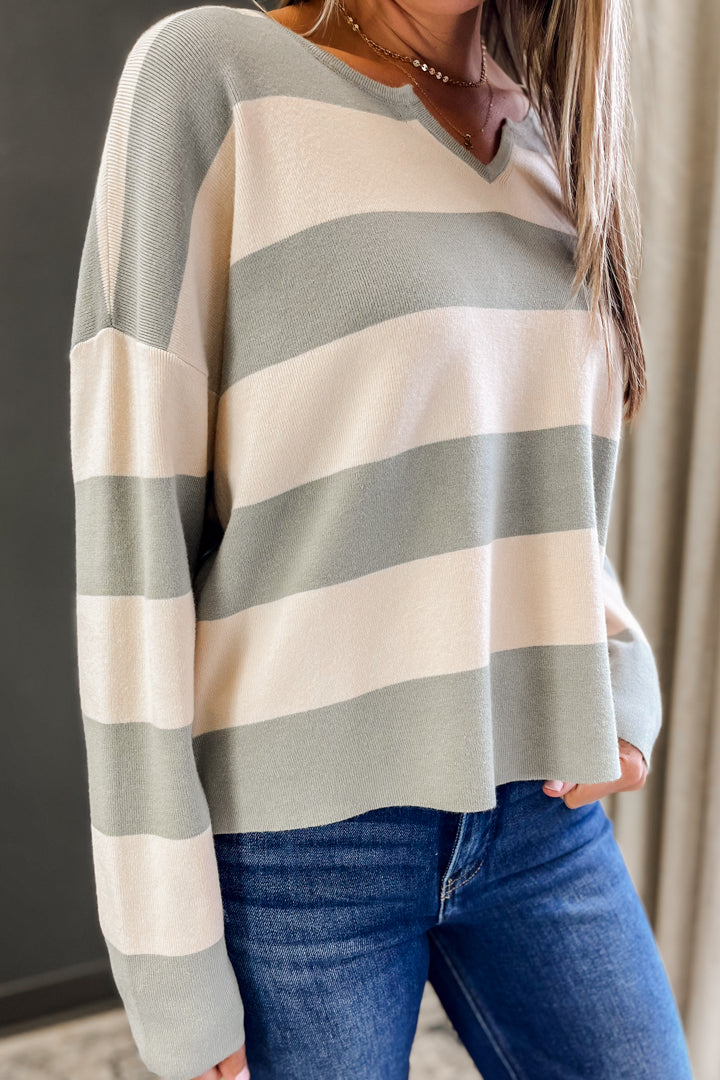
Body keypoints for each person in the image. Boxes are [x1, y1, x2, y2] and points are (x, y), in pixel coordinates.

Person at [68, 0, 695, 1077]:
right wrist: (165, 958)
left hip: (538, 807)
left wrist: (616, 672)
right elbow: (131, 538)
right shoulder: (212, 77)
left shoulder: (550, 136)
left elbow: (540, 488)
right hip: (301, 849)